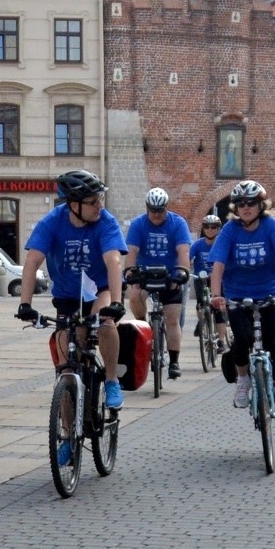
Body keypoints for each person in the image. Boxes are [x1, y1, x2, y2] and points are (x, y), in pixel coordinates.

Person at [15, 170, 127, 411]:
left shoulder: (106, 222)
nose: (99, 205)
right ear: (73, 204)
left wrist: (116, 303)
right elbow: (32, 262)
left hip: (99, 290)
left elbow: (113, 261)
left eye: (100, 199)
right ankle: (66, 438)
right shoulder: (52, 222)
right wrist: (25, 304)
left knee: (105, 322)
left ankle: (111, 381)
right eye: (93, 202)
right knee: (66, 371)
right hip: (66, 296)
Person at [209, 180, 275, 431]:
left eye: (251, 203)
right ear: (235, 208)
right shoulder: (230, 229)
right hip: (238, 295)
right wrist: (216, 294)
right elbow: (218, 264)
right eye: (241, 204)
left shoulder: (271, 226)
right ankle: (243, 378)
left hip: (270, 293)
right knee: (241, 340)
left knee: (274, 344)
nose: (246, 208)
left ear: (261, 205)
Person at [124, 187, 191, 379]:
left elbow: (183, 252)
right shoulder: (138, 224)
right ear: (147, 209)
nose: (156, 214)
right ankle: (144, 325)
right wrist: (130, 273)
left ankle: (174, 361)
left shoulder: (177, 223)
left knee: (171, 319)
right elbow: (132, 252)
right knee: (135, 294)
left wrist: (181, 273)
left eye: (160, 210)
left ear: (166, 209)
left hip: (170, 274)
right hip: (146, 273)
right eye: (152, 210)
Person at [189, 214, 229, 352]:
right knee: (201, 304)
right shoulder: (198, 244)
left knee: (218, 308)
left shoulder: (222, 243)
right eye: (207, 227)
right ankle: (202, 320)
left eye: (213, 227)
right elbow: (188, 257)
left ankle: (221, 341)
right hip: (201, 278)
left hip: (218, 278)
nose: (210, 229)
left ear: (218, 229)